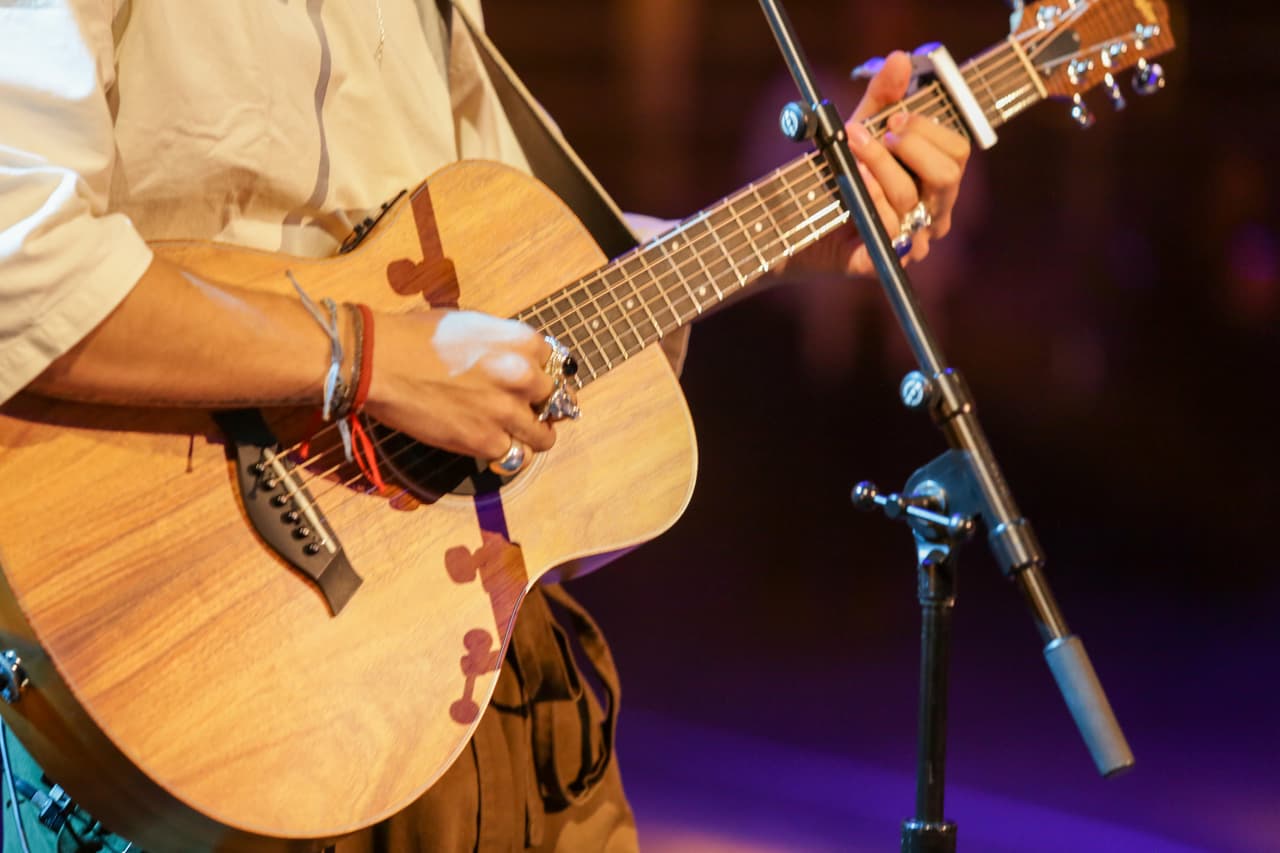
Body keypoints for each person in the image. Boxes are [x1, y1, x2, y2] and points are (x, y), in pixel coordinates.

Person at [0, 1, 969, 850]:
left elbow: (519, 291)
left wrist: (791, 239)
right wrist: (368, 356)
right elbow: (19, 266)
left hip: (462, 667)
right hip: (191, 643)